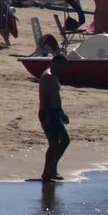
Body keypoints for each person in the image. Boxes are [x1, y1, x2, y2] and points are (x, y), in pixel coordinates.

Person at [38, 53, 71, 182]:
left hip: (55, 112)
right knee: (61, 141)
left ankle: (49, 171)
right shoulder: (48, 76)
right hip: (49, 112)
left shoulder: (53, 75)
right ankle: (50, 169)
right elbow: (46, 97)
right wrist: (47, 116)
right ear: (54, 63)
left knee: (56, 143)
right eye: (62, 65)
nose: (64, 68)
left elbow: (55, 97)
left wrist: (61, 113)